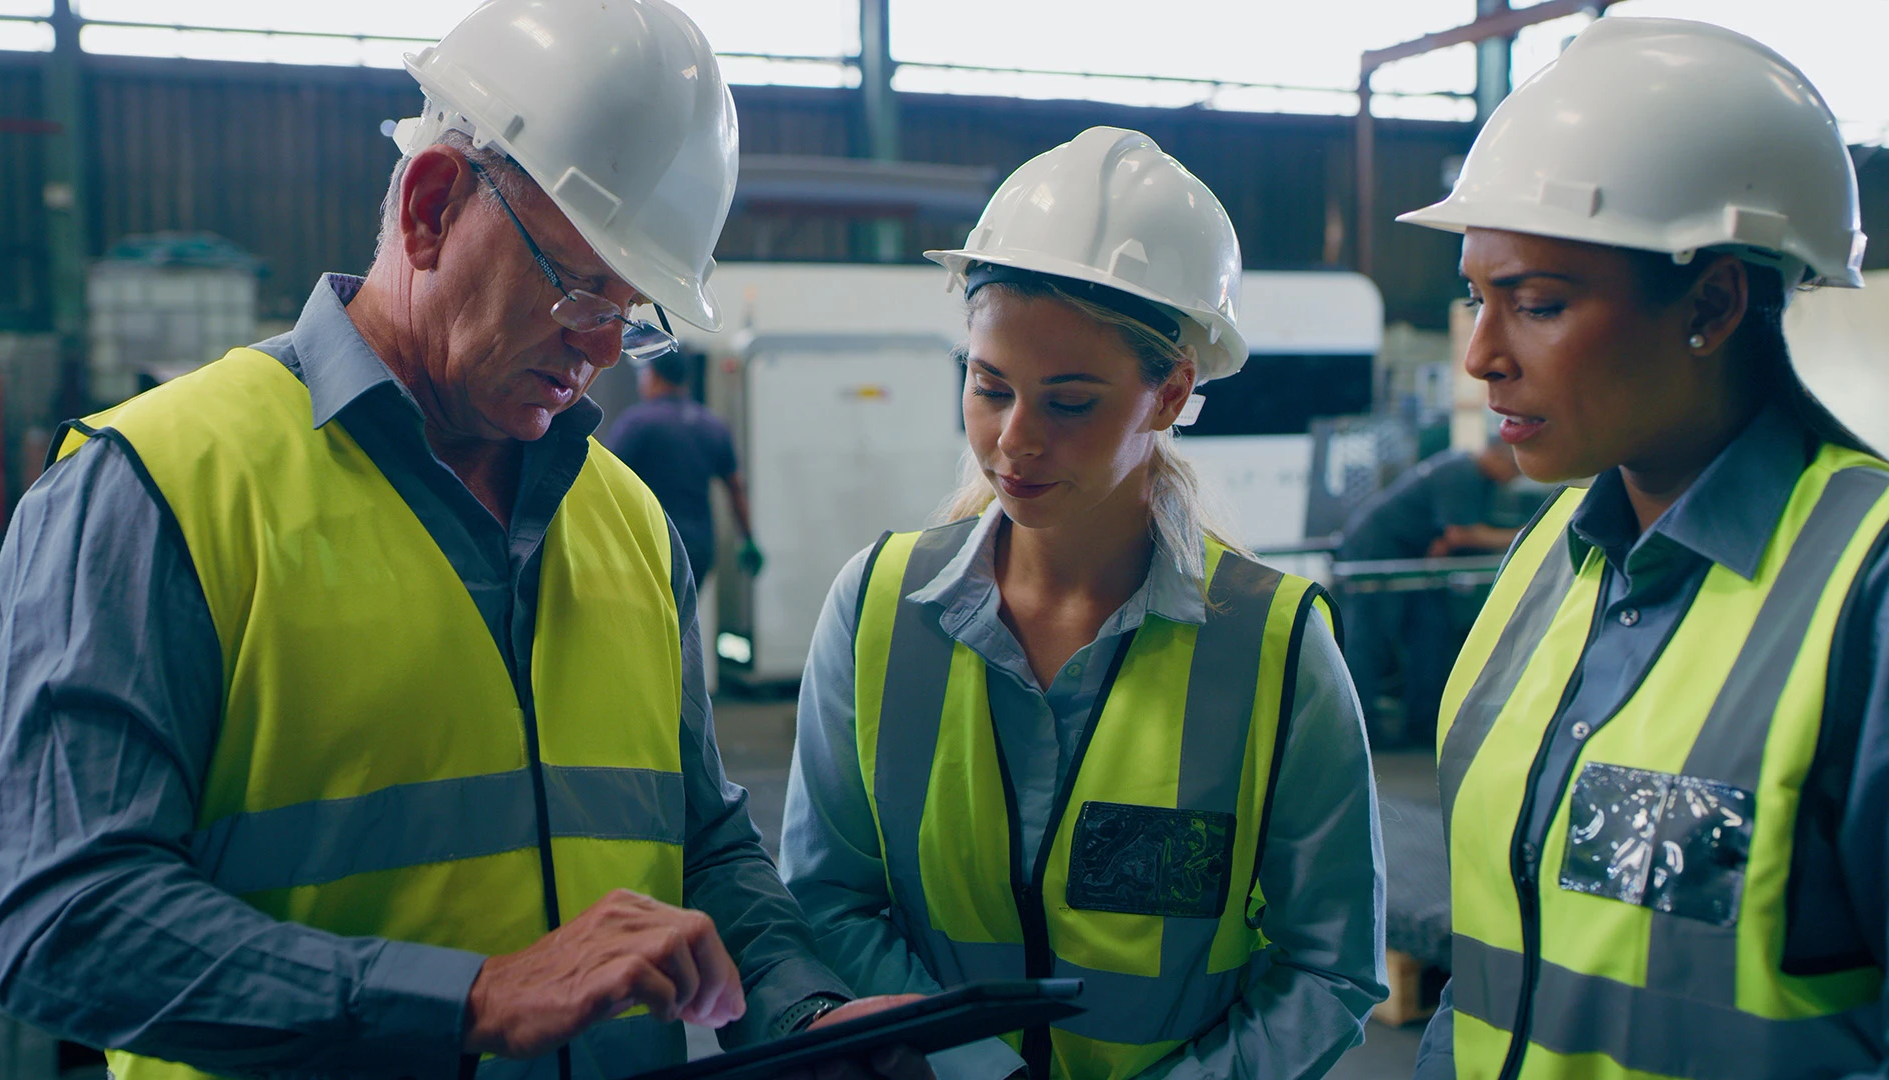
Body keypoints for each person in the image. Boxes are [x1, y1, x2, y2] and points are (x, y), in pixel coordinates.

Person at [0, 3, 926, 1078]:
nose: (607, 349)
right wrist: (467, 998)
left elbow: (704, 843)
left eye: (639, 310)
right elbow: (66, 920)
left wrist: (804, 1012)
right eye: (579, 289)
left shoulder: (625, 523)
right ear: (431, 208)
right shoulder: (153, 493)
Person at [779, 126, 1387, 1080]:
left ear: (1170, 394)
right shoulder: (877, 609)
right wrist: (980, 1071)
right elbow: (828, 897)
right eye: (989, 388)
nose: (1014, 442)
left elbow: (1330, 965)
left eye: (1069, 403)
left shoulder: (1275, 648)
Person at [1398, 18, 1889, 1079]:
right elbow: (1493, 978)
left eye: (1537, 304)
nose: (1482, 356)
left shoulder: (1868, 594)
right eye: (1476, 297)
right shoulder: (1545, 565)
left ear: (1712, 302)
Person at [1337, 439, 1524, 744]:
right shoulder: (1461, 472)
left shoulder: (1478, 478)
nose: (1516, 476)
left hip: (1416, 557)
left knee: (1430, 633)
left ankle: (1421, 725)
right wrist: (1525, 534)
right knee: (1371, 637)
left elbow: (1450, 535)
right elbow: (1461, 532)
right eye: (1514, 467)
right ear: (1494, 455)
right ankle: (1360, 729)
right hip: (1377, 551)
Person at [607, 349, 762, 586]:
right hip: (698, 548)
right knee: (683, 617)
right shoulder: (711, 424)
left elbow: (605, 479)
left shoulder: (637, 423)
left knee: (652, 618)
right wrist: (748, 538)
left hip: (651, 544)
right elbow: (735, 487)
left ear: (653, 376)